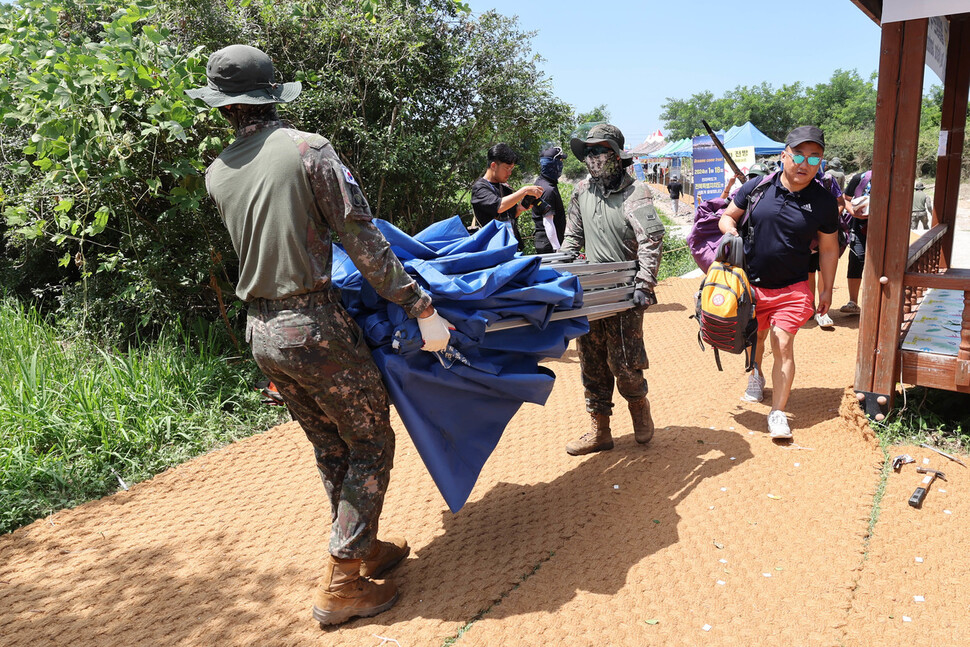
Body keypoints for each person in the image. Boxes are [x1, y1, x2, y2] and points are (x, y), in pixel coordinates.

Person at [185, 44, 453, 627]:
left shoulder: (218, 172)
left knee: (331, 446)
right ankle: (341, 580)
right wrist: (419, 305)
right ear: (274, 96)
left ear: (222, 106)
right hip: (314, 326)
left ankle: (363, 546)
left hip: (262, 333)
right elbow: (362, 240)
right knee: (370, 443)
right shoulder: (308, 150)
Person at [718, 126, 840, 440]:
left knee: (783, 344)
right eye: (798, 154)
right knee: (755, 338)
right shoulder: (756, 188)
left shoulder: (824, 202)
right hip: (752, 286)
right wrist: (730, 231)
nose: (805, 162)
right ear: (784, 155)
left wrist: (826, 288)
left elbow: (828, 248)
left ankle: (777, 413)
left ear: (821, 162)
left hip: (793, 287)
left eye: (814, 157)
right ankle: (756, 375)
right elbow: (728, 216)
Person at [560, 124, 666, 455]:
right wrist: (559, 271)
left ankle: (639, 409)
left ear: (616, 156)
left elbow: (651, 241)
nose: (592, 158)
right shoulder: (581, 191)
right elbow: (572, 239)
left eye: (599, 151)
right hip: (590, 293)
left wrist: (644, 284)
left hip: (625, 293)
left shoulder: (637, 194)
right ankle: (600, 430)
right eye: (588, 152)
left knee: (625, 364)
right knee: (591, 363)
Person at [470, 143, 543, 252]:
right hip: (492, 251)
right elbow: (499, 206)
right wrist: (524, 190)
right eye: (507, 168)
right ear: (494, 165)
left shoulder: (505, 187)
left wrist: (518, 210)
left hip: (512, 248)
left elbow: (508, 217)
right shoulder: (480, 188)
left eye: (511, 169)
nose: (509, 173)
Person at [840, 168, 872, 315]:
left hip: (887, 228)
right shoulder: (860, 178)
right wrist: (853, 212)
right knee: (856, 259)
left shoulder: (897, 178)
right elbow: (845, 198)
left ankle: (876, 301)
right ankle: (853, 302)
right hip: (860, 227)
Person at [531, 146, 568, 254]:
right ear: (553, 164)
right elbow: (548, 222)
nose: (561, 165)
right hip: (550, 246)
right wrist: (557, 249)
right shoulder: (548, 189)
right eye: (560, 161)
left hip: (545, 243)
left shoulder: (541, 182)